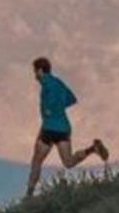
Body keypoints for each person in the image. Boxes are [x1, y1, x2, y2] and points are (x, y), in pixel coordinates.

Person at [25, 56, 108, 198]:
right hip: (63, 128)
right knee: (68, 162)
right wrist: (58, 109)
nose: (35, 76)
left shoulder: (46, 84)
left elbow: (48, 107)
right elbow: (71, 98)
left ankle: (28, 196)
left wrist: (49, 110)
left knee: (36, 161)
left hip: (49, 128)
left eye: (35, 72)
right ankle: (93, 148)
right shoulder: (59, 82)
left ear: (40, 70)